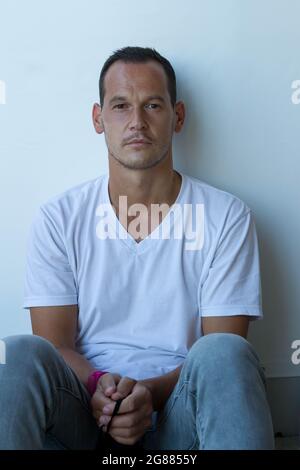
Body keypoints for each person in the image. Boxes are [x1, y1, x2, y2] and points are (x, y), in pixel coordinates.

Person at [0, 46, 274, 450]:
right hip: (84, 414)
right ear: (99, 119)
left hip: (179, 420)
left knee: (226, 352)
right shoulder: (59, 218)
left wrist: (147, 394)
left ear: (177, 116)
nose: (137, 122)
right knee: (16, 352)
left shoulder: (225, 216)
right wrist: (100, 388)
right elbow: (55, 346)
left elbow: (221, 350)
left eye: (153, 105)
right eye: (121, 106)